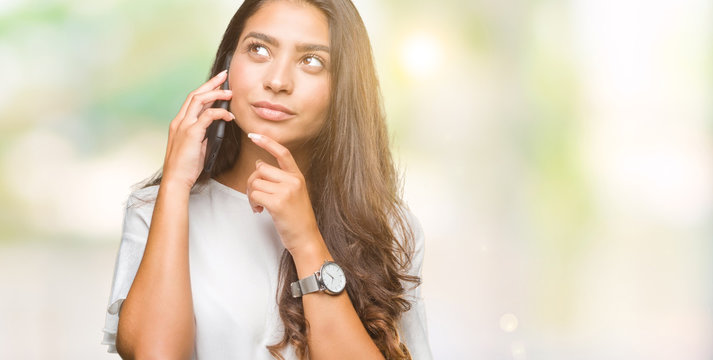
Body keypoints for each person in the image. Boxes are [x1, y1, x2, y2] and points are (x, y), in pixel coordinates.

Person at [101, 0, 432, 359]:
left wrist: (307, 242)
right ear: (227, 65)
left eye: (312, 61)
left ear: (343, 89)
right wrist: (176, 186)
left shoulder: (387, 227)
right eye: (259, 49)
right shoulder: (154, 210)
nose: (277, 81)